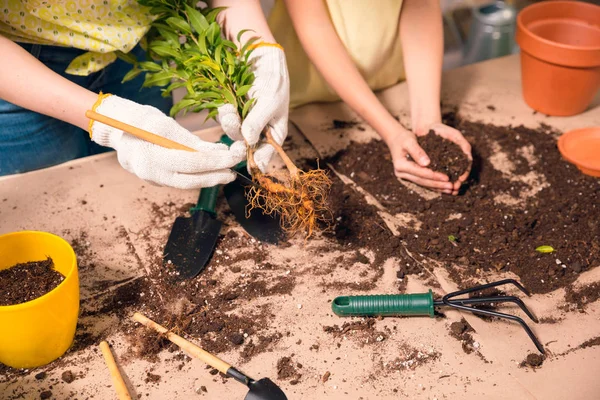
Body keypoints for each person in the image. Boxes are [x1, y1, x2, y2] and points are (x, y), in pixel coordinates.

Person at [0, 0, 283, 189]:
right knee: (55, 197)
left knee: (141, 185)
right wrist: (104, 119)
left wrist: (259, 50)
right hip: (19, 71)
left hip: (135, 44)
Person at [222, 0, 473, 196]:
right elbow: (313, 23)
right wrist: (391, 131)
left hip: (391, 79)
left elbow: (421, 5)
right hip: (311, 89)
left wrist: (427, 120)